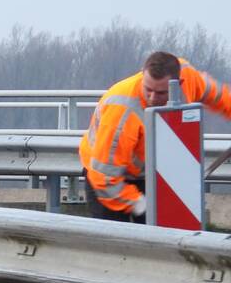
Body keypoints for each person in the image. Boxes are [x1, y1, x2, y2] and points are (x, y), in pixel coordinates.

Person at [79, 51, 231, 222]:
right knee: (114, 242)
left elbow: (218, 96)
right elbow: (104, 178)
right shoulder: (122, 110)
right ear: (143, 74)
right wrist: (140, 205)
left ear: (178, 83)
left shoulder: (188, 76)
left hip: (150, 174)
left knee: (161, 236)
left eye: (161, 93)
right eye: (148, 89)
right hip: (107, 181)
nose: (152, 98)